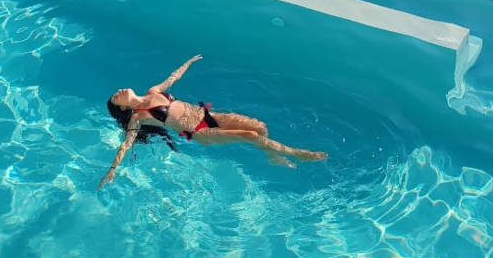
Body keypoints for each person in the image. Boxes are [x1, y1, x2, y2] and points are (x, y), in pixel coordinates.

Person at [99, 55, 327, 188]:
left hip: (209, 116)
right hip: (200, 133)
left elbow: (173, 78)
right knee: (251, 136)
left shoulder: (154, 91)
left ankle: (273, 155)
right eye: (116, 96)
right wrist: (112, 170)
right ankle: (296, 153)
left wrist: (189, 62)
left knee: (260, 126)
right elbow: (126, 144)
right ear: (123, 107)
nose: (119, 91)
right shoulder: (139, 116)